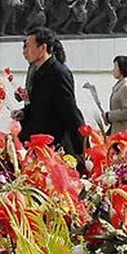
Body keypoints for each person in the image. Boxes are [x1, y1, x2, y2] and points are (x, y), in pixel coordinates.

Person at [11, 27, 85, 158]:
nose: (25, 52)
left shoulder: (58, 73)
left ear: (42, 48)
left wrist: (81, 148)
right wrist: (24, 112)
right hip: (36, 140)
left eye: (28, 46)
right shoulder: (37, 70)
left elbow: (69, 111)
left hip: (52, 144)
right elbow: (41, 104)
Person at [104, 56, 127, 135]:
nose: (113, 70)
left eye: (115, 67)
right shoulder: (120, 84)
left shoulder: (125, 86)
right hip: (116, 129)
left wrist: (109, 116)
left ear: (122, 68)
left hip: (123, 131)